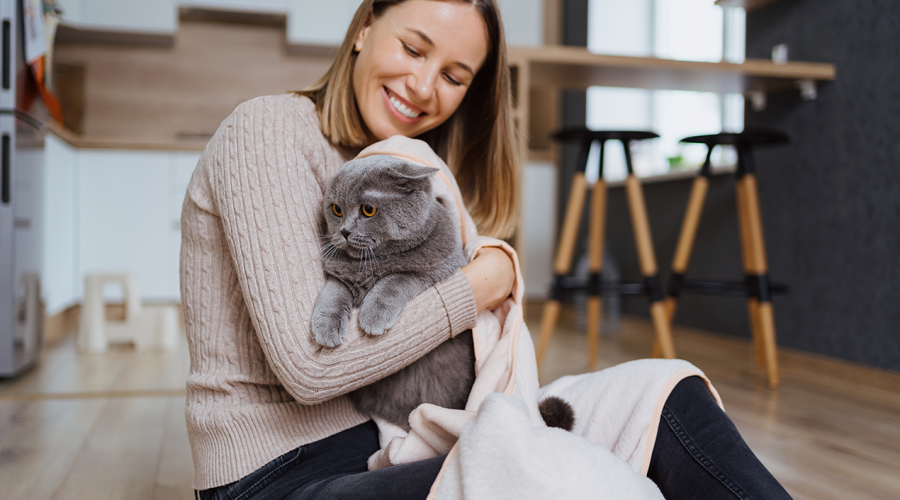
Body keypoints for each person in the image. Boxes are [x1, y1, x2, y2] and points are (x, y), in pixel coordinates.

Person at [181, 1, 792, 499]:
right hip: (280, 476)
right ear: (365, 27)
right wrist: (476, 288)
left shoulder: (410, 170)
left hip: (399, 437)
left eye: (453, 76)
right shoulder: (268, 130)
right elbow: (310, 368)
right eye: (414, 49)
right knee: (551, 476)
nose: (423, 87)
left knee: (660, 393)